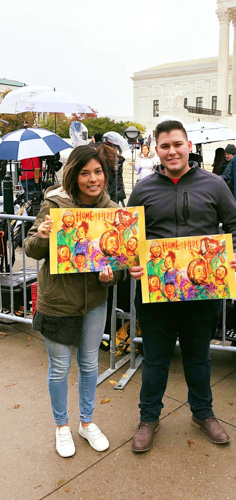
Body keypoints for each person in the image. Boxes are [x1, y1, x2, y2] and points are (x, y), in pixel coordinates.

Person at [128, 120, 236, 453]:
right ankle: (148, 417)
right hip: (156, 292)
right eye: (165, 146)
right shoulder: (144, 188)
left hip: (201, 291)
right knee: (155, 359)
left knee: (198, 357)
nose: (172, 151)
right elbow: (131, 239)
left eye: (177, 144)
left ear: (188, 145)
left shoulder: (215, 184)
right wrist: (133, 263)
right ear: (157, 149)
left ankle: (202, 413)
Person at [24, 145, 120, 458]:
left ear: (105, 174)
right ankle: (61, 427)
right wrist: (43, 235)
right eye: (85, 172)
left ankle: (87, 422)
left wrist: (111, 277)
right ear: (73, 175)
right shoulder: (56, 204)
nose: (93, 179)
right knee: (59, 368)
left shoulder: (113, 212)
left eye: (98, 171)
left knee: (90, 364)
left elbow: (118, 263)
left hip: (94, 300)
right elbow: (30, 248)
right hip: (58, 300)